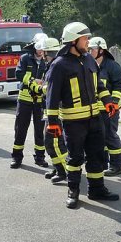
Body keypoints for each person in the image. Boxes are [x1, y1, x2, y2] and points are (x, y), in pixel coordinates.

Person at [45, 22, 120, 209]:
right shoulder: (59, 65)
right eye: (85, 38)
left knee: (96, 156)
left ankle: (97, 189)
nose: (88, 42)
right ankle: (73, 191)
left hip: (95, 120)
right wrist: (52, 122)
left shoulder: (89, 60)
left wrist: (108, 101)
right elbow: (52, 97)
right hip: (73, 123)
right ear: (73, 40)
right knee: (75, 158)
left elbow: (99, 85)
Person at [10, 33, 49, 169]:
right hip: (25, 100)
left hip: (40, 101)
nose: (41, 51)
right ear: (34, 46)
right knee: (20, 130)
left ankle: (40, 158)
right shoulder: (25, 58)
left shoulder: (47, 61)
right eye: (39, 48)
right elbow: (18, 74)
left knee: (39, 131)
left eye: (43, 48)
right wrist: (33, 80)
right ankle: (16, 158)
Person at [89, 36, 121, 176]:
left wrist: (114, 103)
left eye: (92, 49)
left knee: (110, 136)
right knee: (99, 138)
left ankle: (116, 165)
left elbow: (119, 87)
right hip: (96, 110)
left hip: (110, 110)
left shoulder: (112, 66)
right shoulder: (90, 65)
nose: (89, 51)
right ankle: (103, 163)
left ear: (101, 50)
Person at [41, 37, 68, 184]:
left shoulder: (56, 66)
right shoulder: (52, 65)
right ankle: (58, 167)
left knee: (55, 143)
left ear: (47, 52)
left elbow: (53, 90)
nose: (42, 55)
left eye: (43, 52)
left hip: (56, 112)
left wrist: (40, 88)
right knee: (50, 142)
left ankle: (64, 171)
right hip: (50, 111)